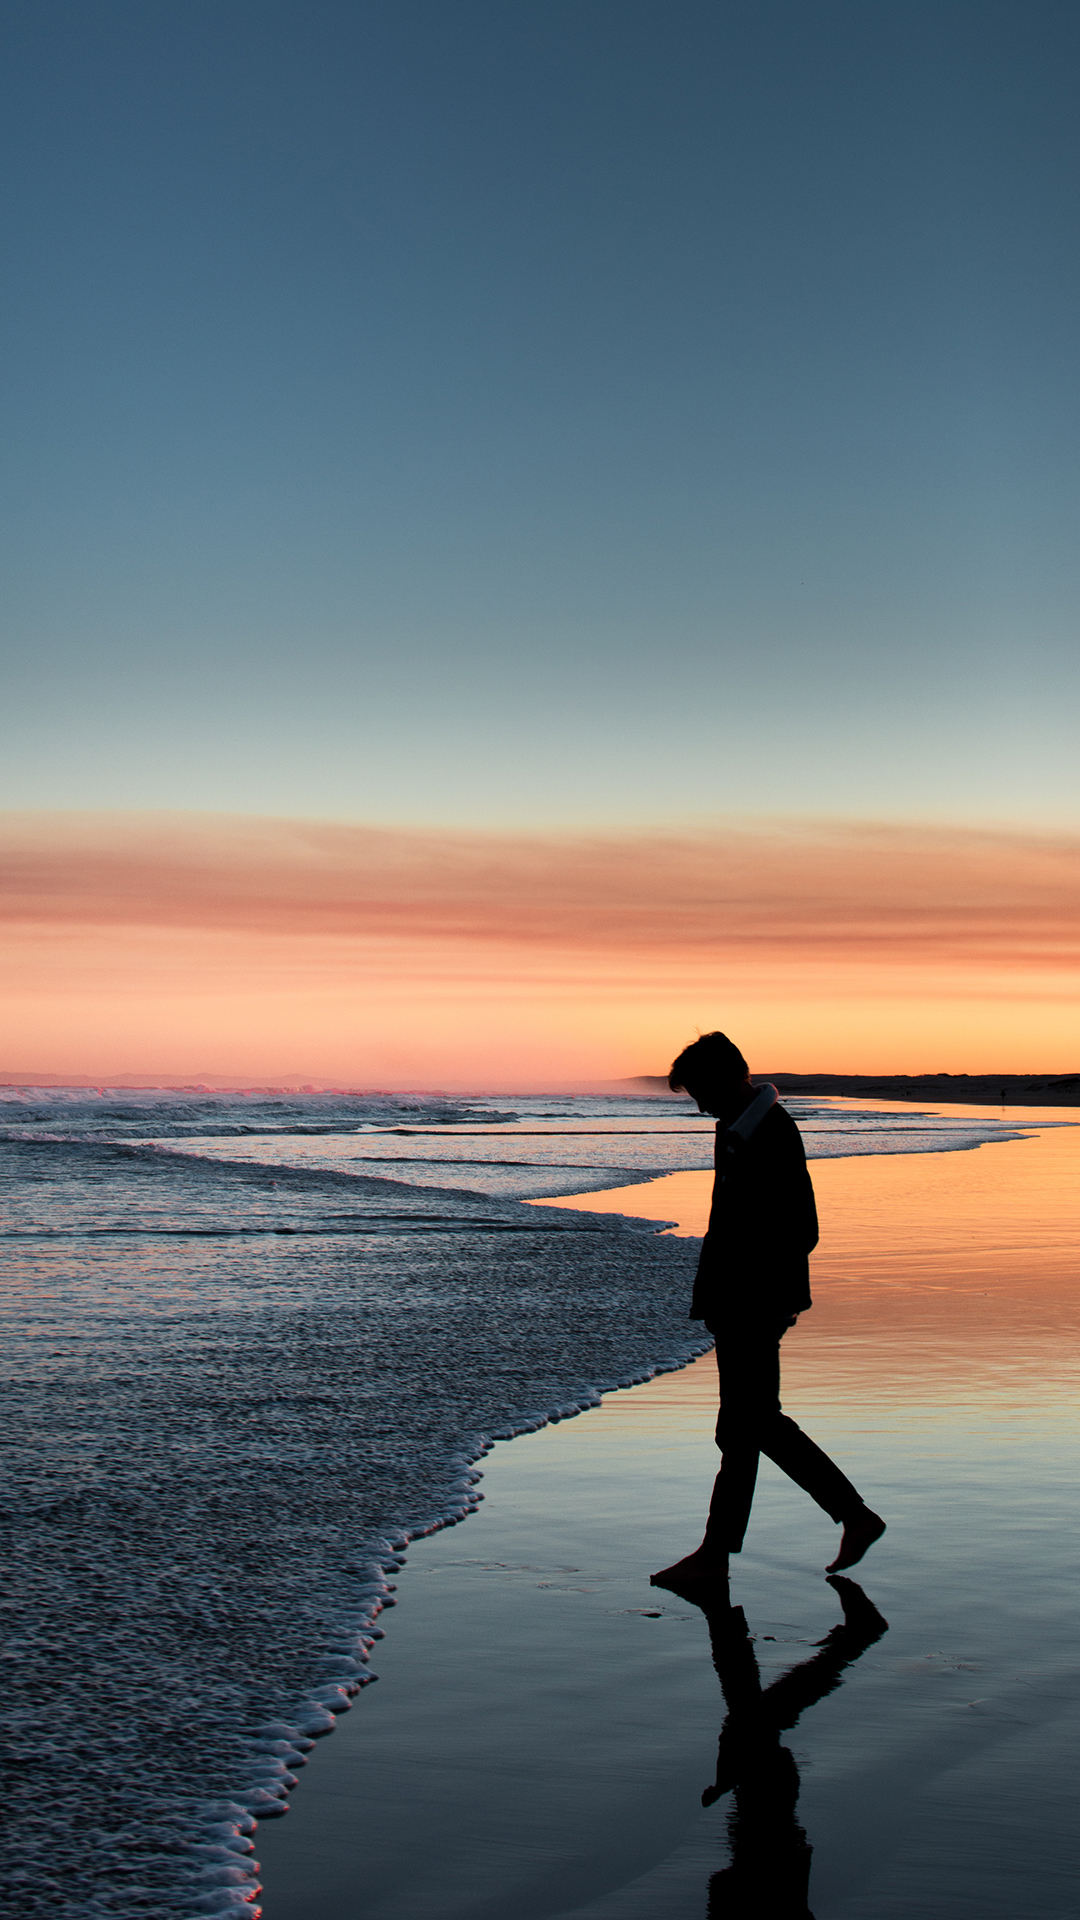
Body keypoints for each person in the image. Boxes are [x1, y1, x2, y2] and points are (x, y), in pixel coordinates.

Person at [652, 1032, 885, 1590]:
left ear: (736, 1076)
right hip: (737, 1299)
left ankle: (852, 1516)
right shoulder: (733, 1128)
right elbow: (725, 1224)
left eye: (703, 1091)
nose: (701, 1105)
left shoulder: (770, 1133)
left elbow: (801, 1228)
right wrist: (713, 1294)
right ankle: (717, 1554)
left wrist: (751, 1293)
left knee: (753, 1423)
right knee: (742, 1428)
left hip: (755, 1302)